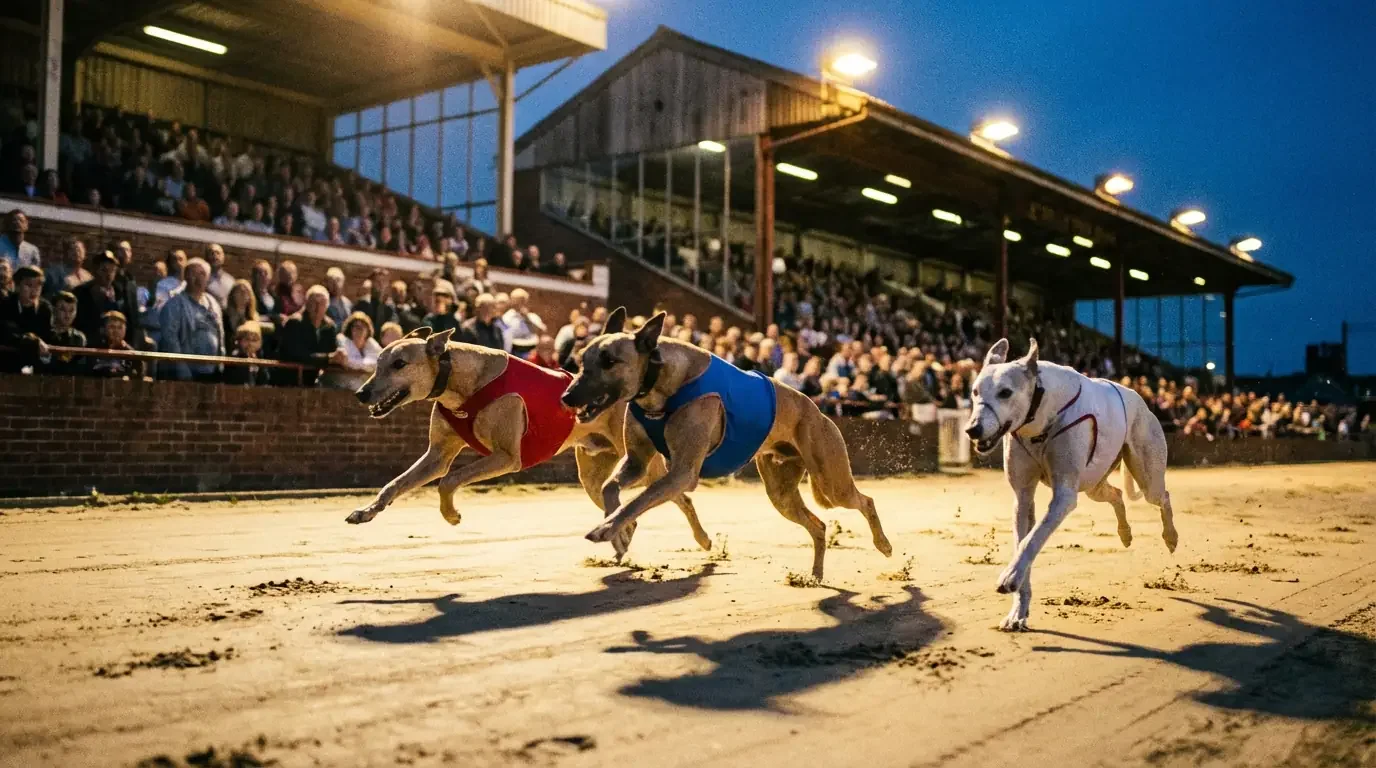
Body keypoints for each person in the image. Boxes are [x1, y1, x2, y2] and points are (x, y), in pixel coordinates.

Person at [158, 257, 224, 382]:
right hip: (186, 372)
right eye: (193, 273)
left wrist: (220, 364)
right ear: (186, 277)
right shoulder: (174, 304)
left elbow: (220, 334)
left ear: (208, 278)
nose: (198, 278)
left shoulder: (213, 303)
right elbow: (170, 339)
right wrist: (182, 369)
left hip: (211, 371)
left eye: (202, 274)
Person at [273, 284, 343, 386]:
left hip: (316, 382)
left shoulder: (329, 327)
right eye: (314, 303)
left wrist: (339, 357)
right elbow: (298, 355)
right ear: (306, 303)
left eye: (322, 303)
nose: (317, 307)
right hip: (290, 380)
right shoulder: (294, 323)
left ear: (327, 306)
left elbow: (332, 351)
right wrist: (328, 358)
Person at [0, 266, 52, 373]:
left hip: (37, 367)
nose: (34, 290)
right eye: (29, 285)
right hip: (7, 363)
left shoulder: (45, 309)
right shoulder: (5, 305)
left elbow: (47, 337)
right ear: (17, 286)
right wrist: (33, 340)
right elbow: (7, 333)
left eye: (38, 285)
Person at [332, 311, 381, 390]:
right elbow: (347, 361)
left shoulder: (372, 343)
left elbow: (378, 362)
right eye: (356, 326)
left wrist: (357, 365)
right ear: (350, 329)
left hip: (363, 385)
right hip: (342, 385)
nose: (359, 330)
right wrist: (366, 366)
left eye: (363, 326)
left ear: (368, 330)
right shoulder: (341, 340)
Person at [43, 291, 86, 375]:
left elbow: (80, 366)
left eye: (71, 310)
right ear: (54, 310)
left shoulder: (78, 338)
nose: (67, 315)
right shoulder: (44, 333)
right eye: (63, 309)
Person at [89, 311, 142, 379]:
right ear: (103, 329)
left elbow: (138, 375)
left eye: (120, 327)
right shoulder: (93, 350)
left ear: (125, 329)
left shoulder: (132, 354)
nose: (116, 331)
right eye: (112, 327)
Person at [501, 288, 545, 357]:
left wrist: (527, 318)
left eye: (522, 300)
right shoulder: (507, 317)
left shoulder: (532, 316)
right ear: (512, 301)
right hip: (514, 351)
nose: (519, 304)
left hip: (531, 352)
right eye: (516, 300)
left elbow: (541, 331)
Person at [223, 321, 270, 386]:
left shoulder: (259, 357)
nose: (250, 343)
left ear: (260, 343)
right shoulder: (234, 358)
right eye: (247, 339)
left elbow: (264, 380)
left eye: (254, 340)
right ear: (239, 341)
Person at [204, 243, 235, 308]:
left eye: (218, 253)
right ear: (206, 257)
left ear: (223, 257)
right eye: (212, 253)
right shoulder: (201, 279)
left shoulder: (231, 280)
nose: (215, 256)